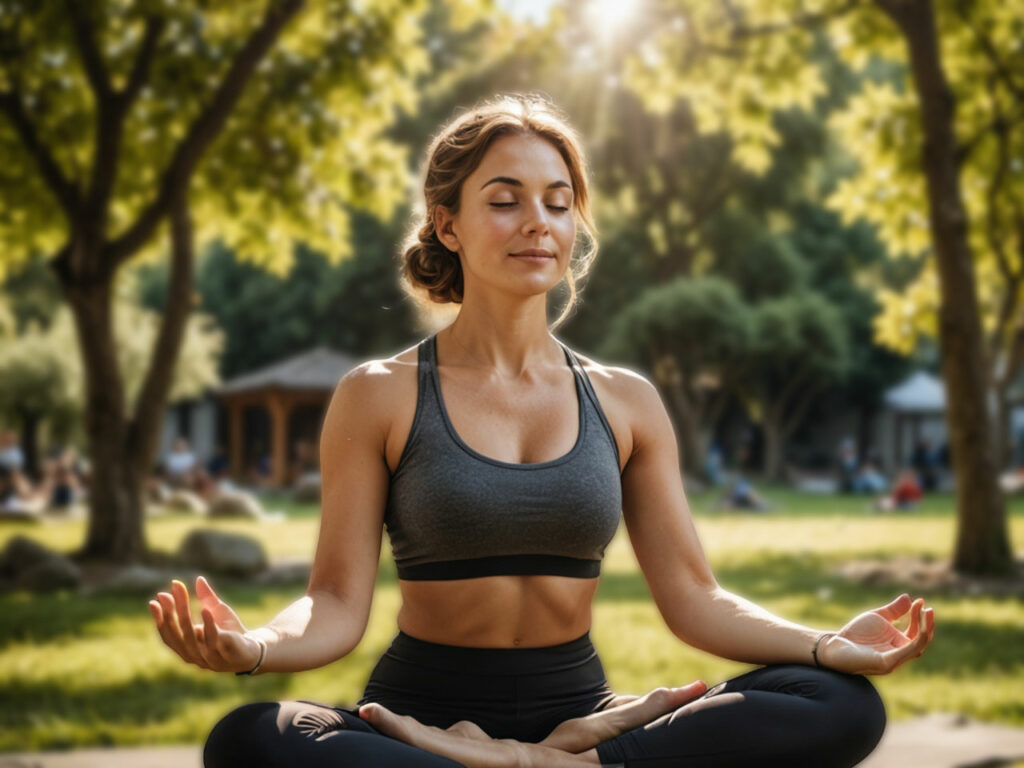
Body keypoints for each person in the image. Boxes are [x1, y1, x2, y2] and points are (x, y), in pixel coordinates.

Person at [149, 94, 934, 768]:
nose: (538, 223)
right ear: (447, 224)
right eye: (505, 199)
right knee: (250, 738)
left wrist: (827, 645)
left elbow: (695, 597)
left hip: (585, 719)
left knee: (840, 703)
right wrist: (254, 649)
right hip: (416, 720)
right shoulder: (380, 395)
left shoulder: (623, 400)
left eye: (558, 202)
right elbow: (333, 603)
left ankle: (564, 762)